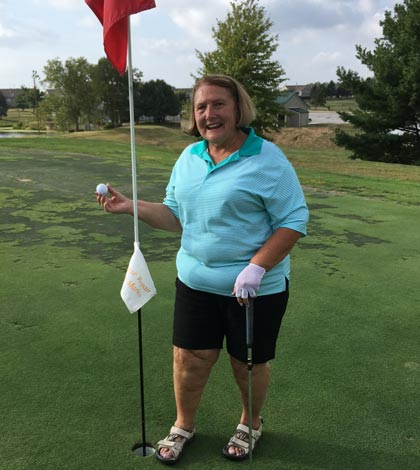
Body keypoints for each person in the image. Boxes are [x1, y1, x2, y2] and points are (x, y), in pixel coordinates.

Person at [96, 74, 309, 464]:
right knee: (188, 358)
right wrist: (131, 207)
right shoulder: (189, 157)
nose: (209, 114)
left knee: (247, 363)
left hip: (254, 288)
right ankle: (183, 425)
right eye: (200, 107)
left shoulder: (267, 158)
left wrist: (257, 267)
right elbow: (175, 215)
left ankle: (250, 423)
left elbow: (294, 219)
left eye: (218, 104)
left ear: (238, 108)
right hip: (195, 282)